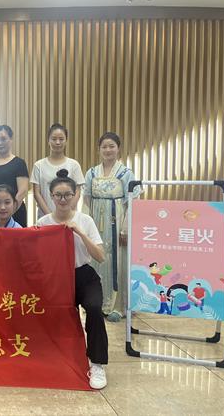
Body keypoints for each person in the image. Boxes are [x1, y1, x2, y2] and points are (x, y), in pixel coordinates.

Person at [36, 169, 108, 390]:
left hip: (84, 275)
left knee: (94, 308)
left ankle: (97, 363)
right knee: (53, 314)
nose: (63, 199)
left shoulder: (85, 220)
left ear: (75, 194)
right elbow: (35, 255)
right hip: (57, 278)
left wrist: (80, 233)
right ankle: (56, 357)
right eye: (58, 195)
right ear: (51, 196)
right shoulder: (43, 222)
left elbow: (100, 256)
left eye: (67, 194)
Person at [83, 132, 141, 322]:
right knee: (97, 260)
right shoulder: (91, 173)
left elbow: (133, 202)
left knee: (118, 261)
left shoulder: (126, 173)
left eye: (111, 146)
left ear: (118, 148)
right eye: (104, 147)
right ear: (99, 149)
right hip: (96, 223)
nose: (108, 150)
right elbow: (86, 200)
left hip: (117, 224)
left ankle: (119, 306)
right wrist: (85, 225)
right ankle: (97, 302)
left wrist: (126, 228)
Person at [31, 123, 85, 217]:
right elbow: (37, 193)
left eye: (61, 139)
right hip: (45, 217)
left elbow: (77, 192)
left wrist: (66, 212)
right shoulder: (39, 165)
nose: (57, 142)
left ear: (66, 141)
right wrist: (51, 217)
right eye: (54, 139)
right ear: (48, 141)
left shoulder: (74, 165)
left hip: (69, 217)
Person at [0, 125, 29, 227]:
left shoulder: (19, 163)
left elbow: (22, 191)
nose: (0, 143)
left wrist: (7, 213)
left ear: (11, 139)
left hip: (16, 213)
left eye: (3, 139)